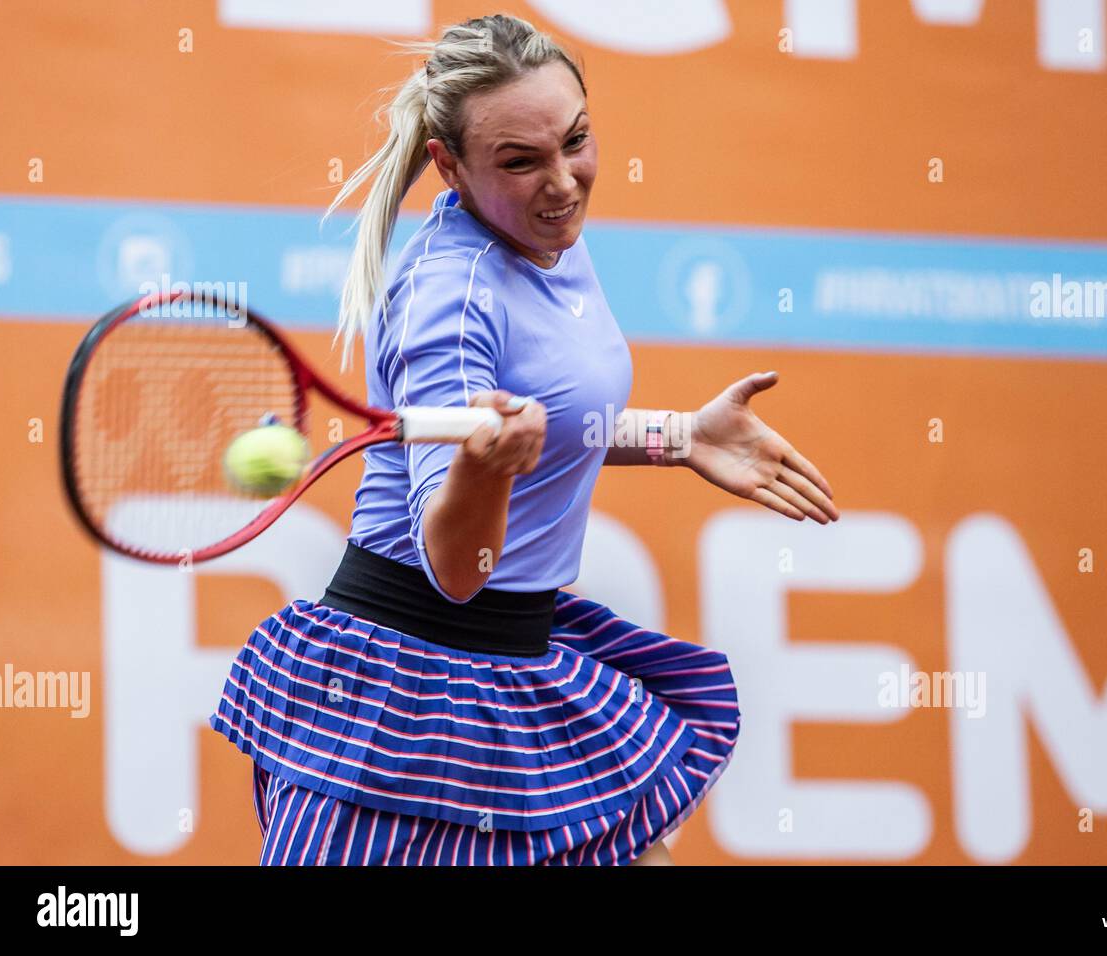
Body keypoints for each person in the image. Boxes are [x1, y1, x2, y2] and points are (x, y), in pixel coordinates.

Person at [209, 13, 838, 866]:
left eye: (575, 141)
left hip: (517, 662)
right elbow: (455, 568)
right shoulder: (448, 298)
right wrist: (485, 471)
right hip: (399, 702)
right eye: (520, 162)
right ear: (450, 166)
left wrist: (680, 436)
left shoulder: (548, 237)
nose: (563, 183)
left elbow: (557, 423)